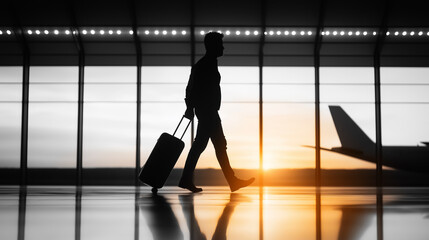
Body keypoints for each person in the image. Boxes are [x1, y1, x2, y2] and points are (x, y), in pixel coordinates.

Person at [178, 32, 255, 193]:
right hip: (207, 111)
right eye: (220, 44)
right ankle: (230, 180)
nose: (223, 47)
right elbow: (191, 88)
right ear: (212, 46)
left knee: (213, 145)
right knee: (208, 145)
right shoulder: (204, 65)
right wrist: (190, 108)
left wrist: (192, 108)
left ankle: (189, 179)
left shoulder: (209, 63)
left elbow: (193, 88)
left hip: (209, 110)